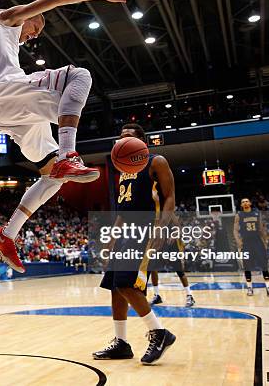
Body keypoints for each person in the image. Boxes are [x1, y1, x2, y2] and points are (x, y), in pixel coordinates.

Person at [0, 0, 135, 273]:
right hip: (10, 91)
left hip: (8, 110)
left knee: (54, 175)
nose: (34, 35)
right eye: (36, 26)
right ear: (28, 16)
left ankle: (7, 234)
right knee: (79, 76)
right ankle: (69, 154)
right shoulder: (7, 18)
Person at [93, 123, 176, 365]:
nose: (122, 141)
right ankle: (121, 343)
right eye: (120, 138)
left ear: (141, 142)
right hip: (126, 231)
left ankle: (160, 333)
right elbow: (122, 210)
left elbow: (169, 196)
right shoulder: (124, 170)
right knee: (115, 287)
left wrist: (162, 226)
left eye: (128, 137)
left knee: (127, 284)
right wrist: (112, 237)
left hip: (145, 229)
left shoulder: (156, 161)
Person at [233, 198, 269, 297]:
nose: (245, 203)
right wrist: (238, 241)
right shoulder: (239, 215)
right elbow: (235, 230)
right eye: (243, 202)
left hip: (257, 241)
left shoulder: (257, 213)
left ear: (250, 203)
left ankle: (268, 288)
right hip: (246, 243)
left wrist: (265, 241)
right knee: (247, 266)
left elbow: (261, 228)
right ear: (241, 205)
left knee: (264, 265)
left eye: (246, 201)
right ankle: (249, 288)